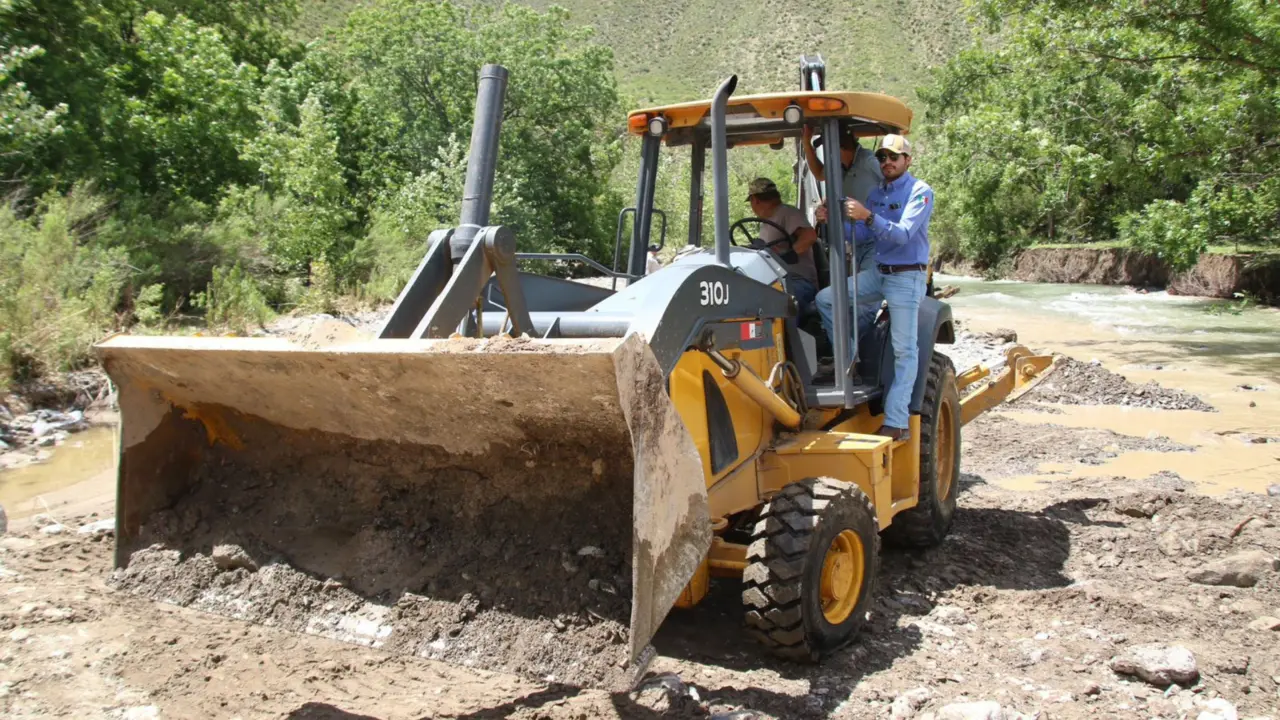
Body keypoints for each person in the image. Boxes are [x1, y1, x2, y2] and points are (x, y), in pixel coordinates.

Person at [814, 134, 933, 441]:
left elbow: (903, 234)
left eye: (894, 157)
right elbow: (862, 236)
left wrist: (867, 216)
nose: (887, 163)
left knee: (904, 350)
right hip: (880, 273)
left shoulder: (920, 192)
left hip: (906, 278)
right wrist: (830, 221)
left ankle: (897, 422)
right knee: (827, 299)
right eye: (882, 158)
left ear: (907, 160)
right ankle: (849, 358)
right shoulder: (876, 193)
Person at [802, 125, 882, 272]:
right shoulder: (838, 166)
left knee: (867, 289)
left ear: (839, 148)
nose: (828, 155)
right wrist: (806, 143)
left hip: (875, 239)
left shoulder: (869, 162)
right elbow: (819, 173)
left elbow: (894, 183)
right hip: (855, 239)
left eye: (828, 149)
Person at [745, 177, 821, 313]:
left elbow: (809, 236)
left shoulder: (787, 213)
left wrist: (788, 255)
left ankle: (785, 334)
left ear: (754, 200)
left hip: (797, 280)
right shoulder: (767, 222)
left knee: (779, 303)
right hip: (774, 281)